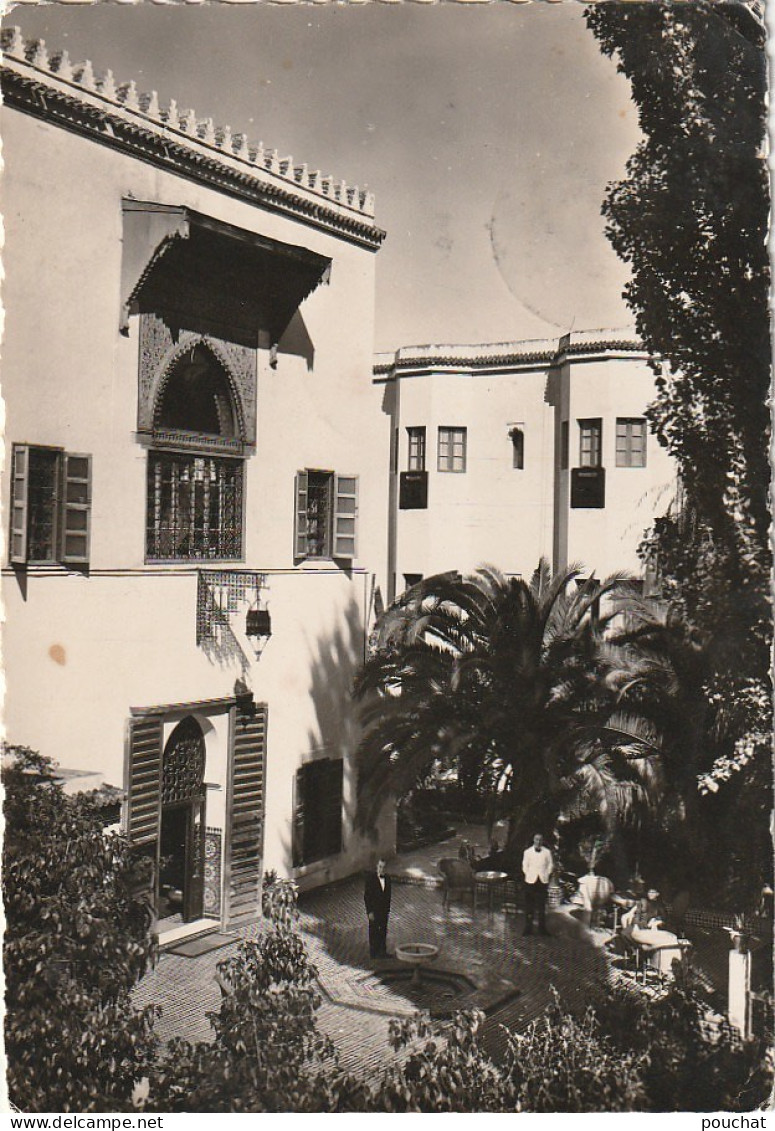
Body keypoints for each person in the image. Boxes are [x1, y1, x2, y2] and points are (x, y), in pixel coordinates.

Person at [522, 832, 554, 936]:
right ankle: (528, 928)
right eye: (536, 839)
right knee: (529, 905)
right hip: (530, 881)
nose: (538, 842)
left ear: (543, 841)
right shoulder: (527, 852)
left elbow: (550, 865)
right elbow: (524, 866)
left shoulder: (547, 852)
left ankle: (542, 929)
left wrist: (546, 874)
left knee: (541, 906)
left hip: (542, 881)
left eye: (540, 840)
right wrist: (530, 874)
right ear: (533, 840)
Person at [364, 857, 392, 958]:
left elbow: (388, 896)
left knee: (383, 930)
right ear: (377, 867)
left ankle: (382, 951)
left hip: (384, 911)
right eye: (380, 867)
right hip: (374, 911)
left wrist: (387, 910)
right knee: (374, 931)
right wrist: (369, 912)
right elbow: (367, 897)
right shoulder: (371, 879)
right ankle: (374, 953)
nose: (382, 869)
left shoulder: (388, 879)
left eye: (384, 867)